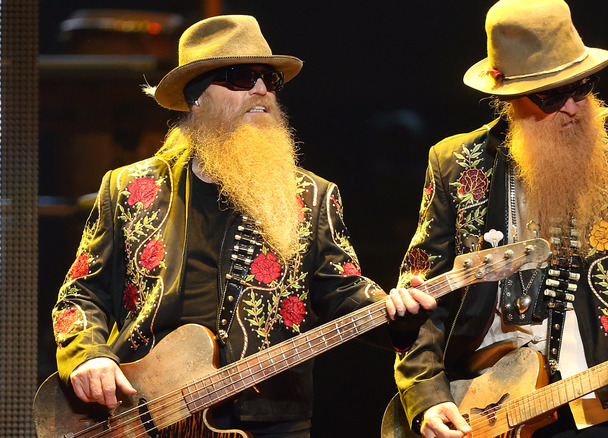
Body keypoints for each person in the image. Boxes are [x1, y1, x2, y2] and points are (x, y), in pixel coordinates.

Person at [50, 14, 435, 437]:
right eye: (241, 77)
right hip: (141, 415)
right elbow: (81, 291)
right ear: (196, 97)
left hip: (270, 419)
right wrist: (88, 356)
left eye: (271, 81)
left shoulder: (312, 196)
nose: (261, 90)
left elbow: (343, 292)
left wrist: (396, 312)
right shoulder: (128, 187)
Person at [392, 1, 608, 437]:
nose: (572, 106)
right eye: (552, 96)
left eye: (582, 86)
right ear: (509, 98)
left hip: (601, 400)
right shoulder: (456, 162)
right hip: (488, 404)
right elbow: (420, 295)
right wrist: (428, 396)